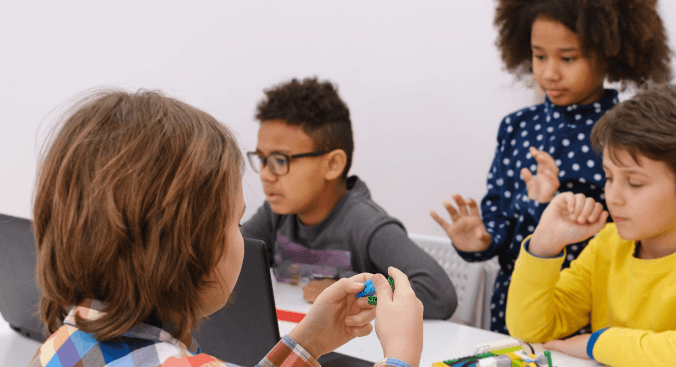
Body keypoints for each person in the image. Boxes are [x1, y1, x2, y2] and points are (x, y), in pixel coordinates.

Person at [29, 90, 424, 367]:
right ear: (190, 246)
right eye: (234, 223)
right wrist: (400, 356)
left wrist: (308, 343)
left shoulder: (58, 348)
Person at [430, 0, 672, 333]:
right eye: (539, 56)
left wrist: (553, 201)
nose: (550, 73)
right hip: (515, 305)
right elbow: (499, 216)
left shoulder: (627, 132)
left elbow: (634, 229)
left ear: (609, 51)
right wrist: (480, 239)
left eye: (568, 58)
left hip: (590, 308)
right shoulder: (516, 127)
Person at [507, 84, 676, 366]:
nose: (613, 197)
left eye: (634, 182)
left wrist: (596, 343)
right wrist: (543, 246)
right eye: (608, 177)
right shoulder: (609, 244)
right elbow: (531, 330)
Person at [241, 77, 457, 319]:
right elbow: (225, 260)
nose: (265, 174)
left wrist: (356, 295)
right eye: (262, 159)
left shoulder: (364, 223)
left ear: (333, 164)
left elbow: (438, 294)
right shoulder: (276, 214)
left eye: (280, 160)